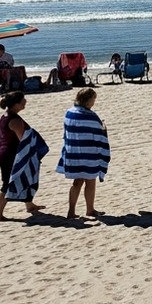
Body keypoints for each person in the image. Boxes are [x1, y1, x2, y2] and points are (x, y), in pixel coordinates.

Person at [0, 91, 47, 222]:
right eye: (23, 100)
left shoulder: (6, 116)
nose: (25, 102)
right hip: (11, 155)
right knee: (7, 185)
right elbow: (24, 140)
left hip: (5, 152)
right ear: (16, 104)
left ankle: (30, 205)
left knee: (26, 178)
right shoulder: (15, 120)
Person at [58, 87, 111, 219]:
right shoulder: (91, 116)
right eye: (93, 99)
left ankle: (71, 211)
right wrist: (104, 127)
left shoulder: (69, 112)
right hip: (89, 154)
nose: (94, 102)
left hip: (74, 153)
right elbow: (99, 133)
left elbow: (66, 132)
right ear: (87, 101)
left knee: (77, 182)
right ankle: (90, 209)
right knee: (90, 182)